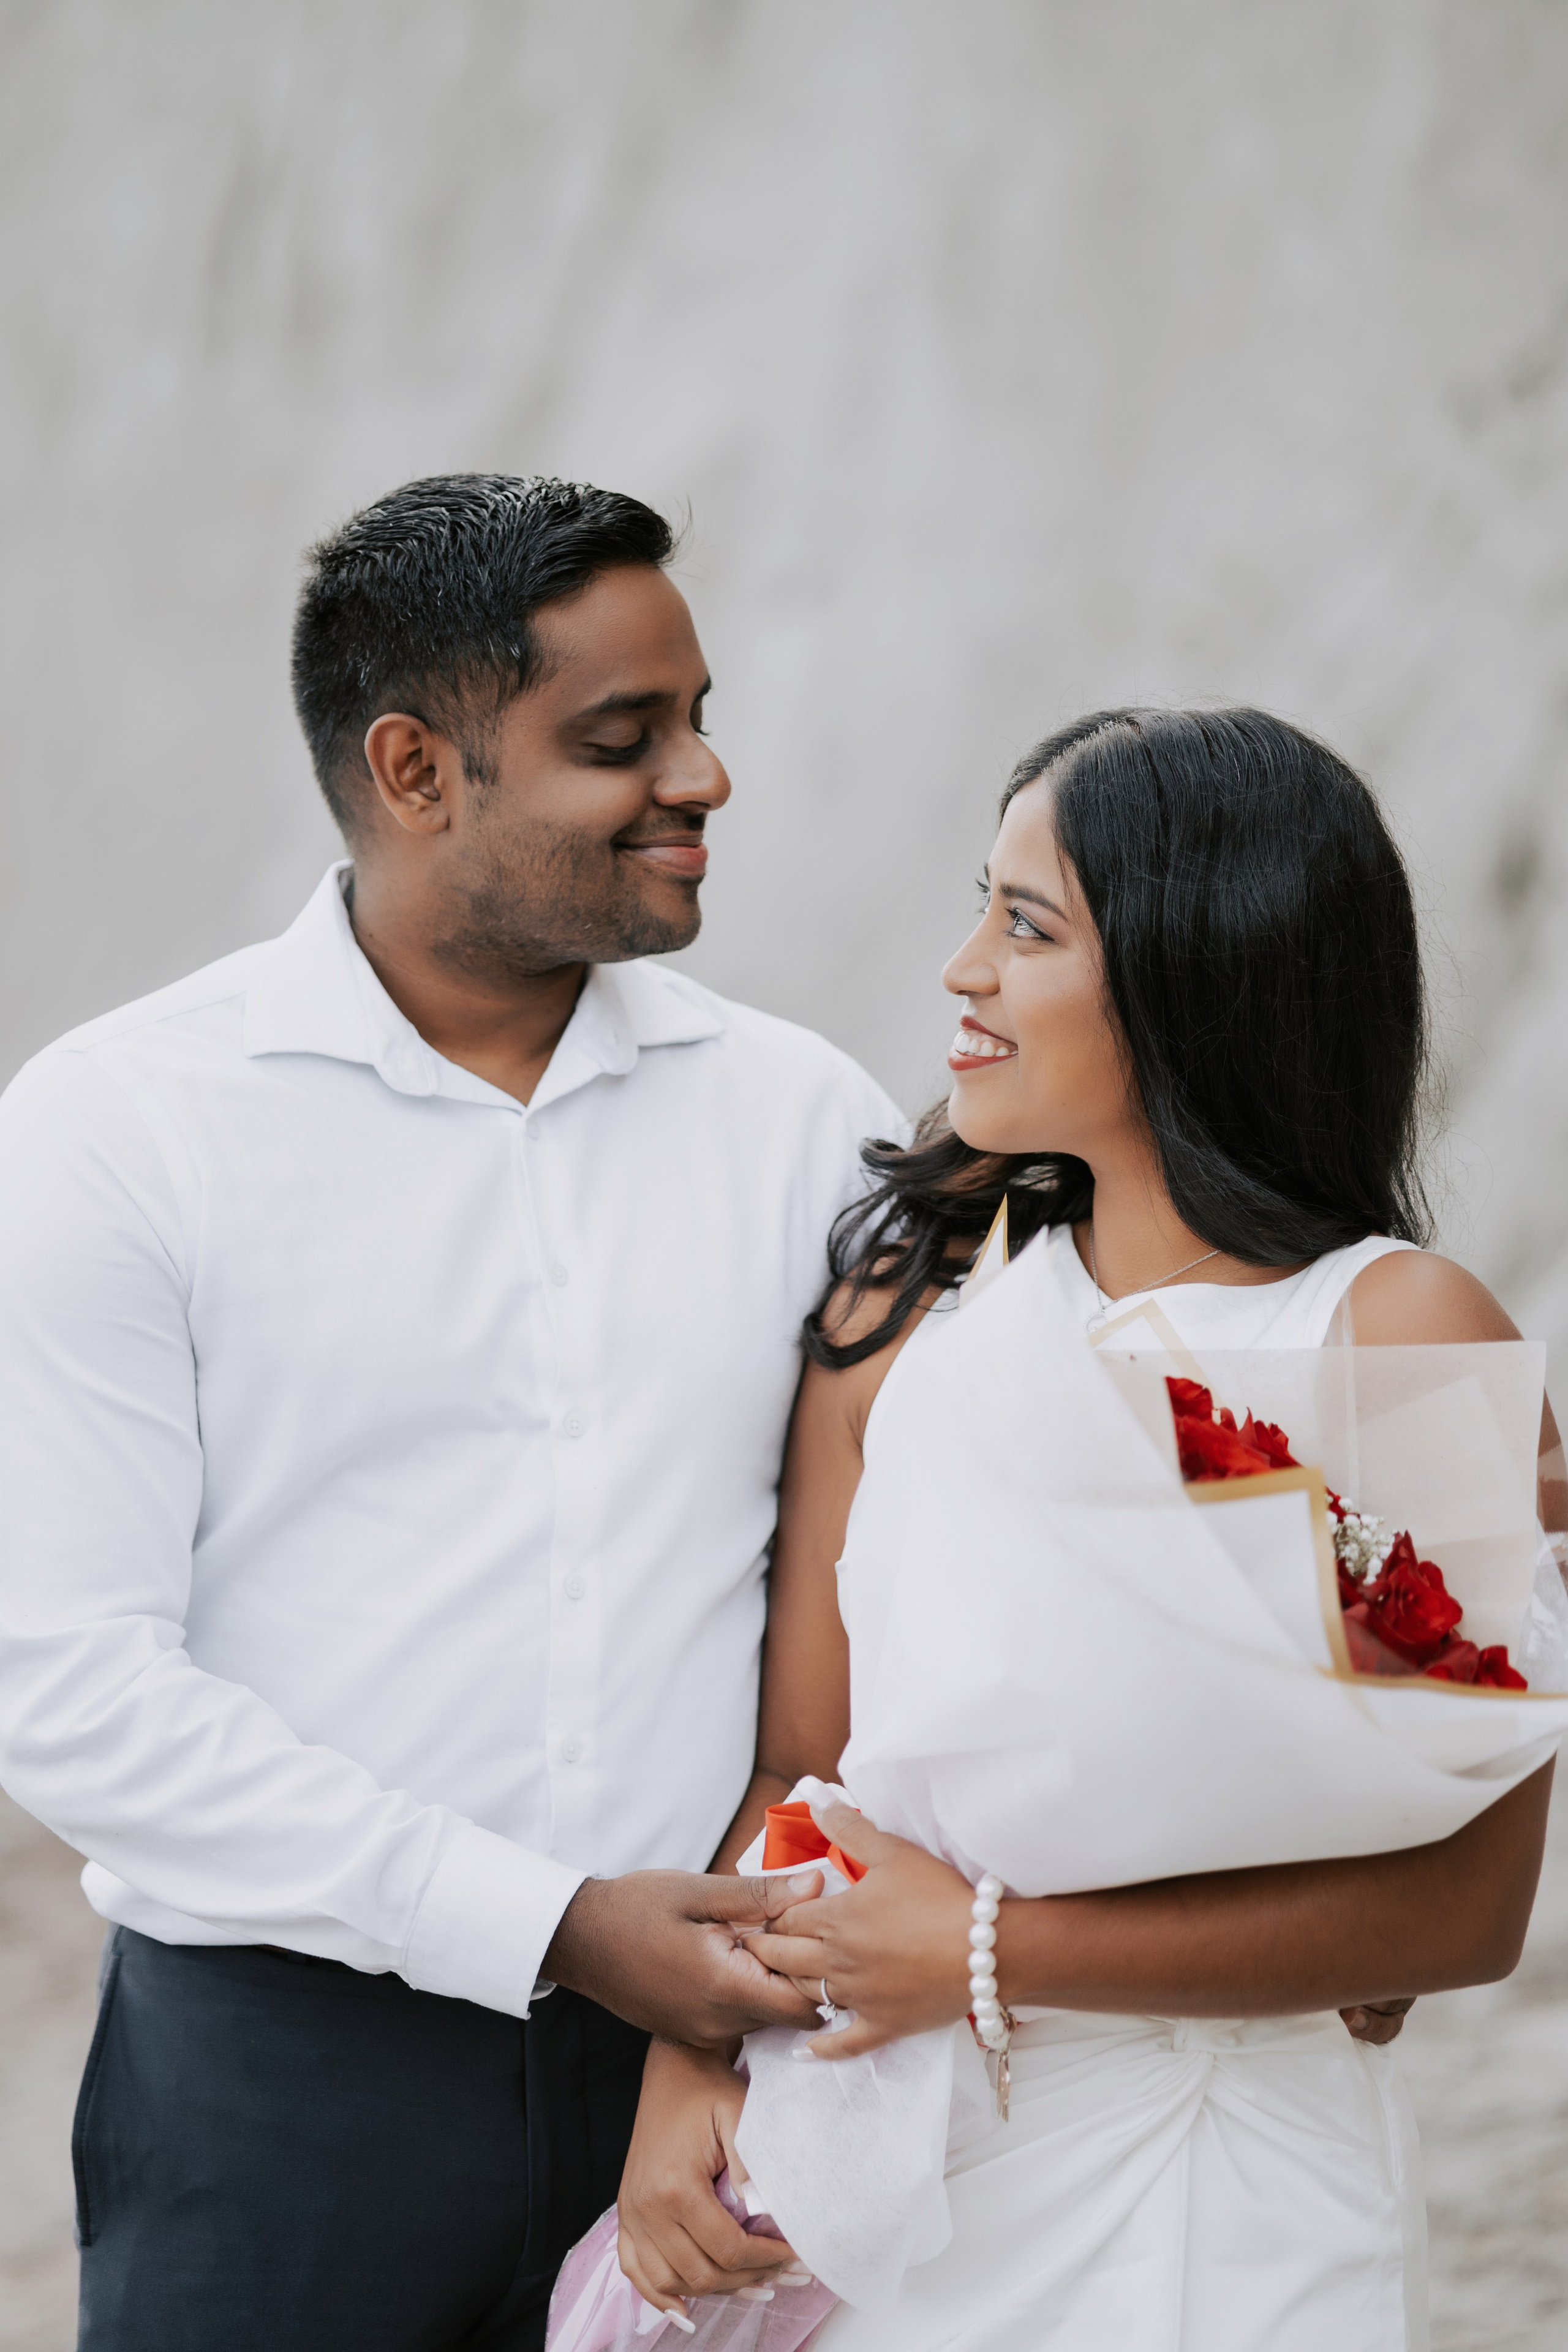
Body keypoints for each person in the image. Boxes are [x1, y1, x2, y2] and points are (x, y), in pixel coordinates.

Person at [0, 474, 903, 2351]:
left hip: (707, 2087)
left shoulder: (806, 1119)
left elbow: (915, 1566)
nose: (705, 777)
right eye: (621, 739)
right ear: (414, 769)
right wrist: (551, 1921)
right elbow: (65, 1689)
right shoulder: (119, 1130)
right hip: (277, 2099)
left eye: (699, 718)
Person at [617, 707, 1559, 2349]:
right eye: (981, 909)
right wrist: (688, 2059)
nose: (963, 969)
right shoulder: (907, 1324)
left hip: (1242, 2183)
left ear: (1202, 975)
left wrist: (988, 1948)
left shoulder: (1404, 1333)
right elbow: (804, 1771)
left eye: (1028, 927)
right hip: (921, 2168)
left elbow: (1463, 1912)